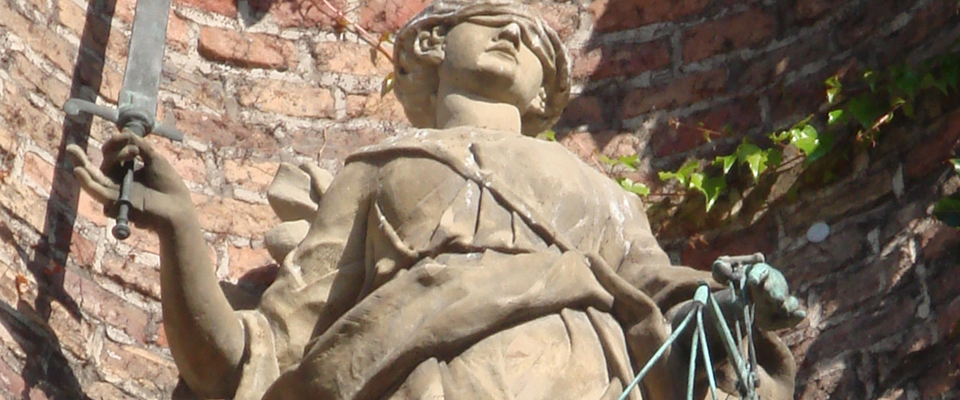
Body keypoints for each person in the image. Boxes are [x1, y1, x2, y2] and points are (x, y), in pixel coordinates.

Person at [66, 0, 805, 399]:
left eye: (534, 40)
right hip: (418, 379)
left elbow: (672, 314)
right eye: (495, 24)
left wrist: (734, 306)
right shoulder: (380, 170)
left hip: (575, 376)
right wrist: (183, 232)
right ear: (430, 46)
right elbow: (257, 358)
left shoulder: (602, 194)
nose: (517, 36)